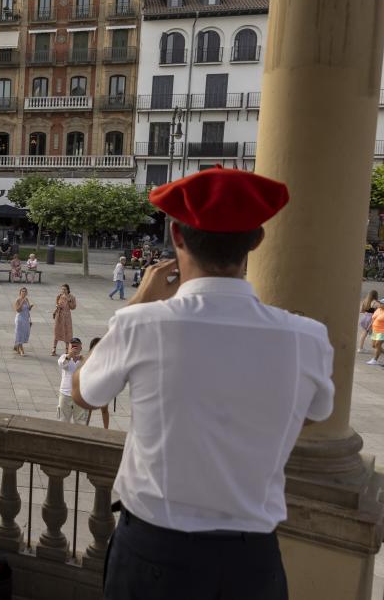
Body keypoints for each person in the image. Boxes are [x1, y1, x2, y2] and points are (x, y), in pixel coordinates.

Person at [72, 167, 334, 599]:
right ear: (257, 240)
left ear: (176, 235)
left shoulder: (143, 323)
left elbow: (84, 393)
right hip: (252, 560)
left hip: (155, 552)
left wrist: (139, 301)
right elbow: (311, 413)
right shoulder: (305, 337)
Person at [56, 338, 88, 423]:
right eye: (72, 345)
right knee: (62, 421)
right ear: (68, 348)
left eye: (77, 345)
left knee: (81, 422)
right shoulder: (64, 357)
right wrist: (69, 356)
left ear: (81, 348)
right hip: (65, 394)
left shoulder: (85, 360)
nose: (75, 347)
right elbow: (62, 364)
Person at [51, 284, 76, 356]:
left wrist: (69, 301)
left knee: (67, 332)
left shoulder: (72, 297)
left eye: (64, 289)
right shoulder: (59, 296)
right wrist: (55, 311)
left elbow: (73, 307)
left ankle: (67, 349)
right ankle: (54, 348)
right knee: (57, 331)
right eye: (62, 289)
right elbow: (57, 304)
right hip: (59, 315)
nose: (63, 291)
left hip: (67, 316)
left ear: (68, 290)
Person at [13, 287, 33, 356]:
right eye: (22, 291)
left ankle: (16, 346)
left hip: (26, 319)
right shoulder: (18, 300)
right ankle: (22, 350)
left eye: (25, 291)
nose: (24, 293)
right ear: (20, 292)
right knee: (19, 333)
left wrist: (30, 307)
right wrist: (22, 302)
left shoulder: (27, 299)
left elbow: (28, 309)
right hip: (19, 319)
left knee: (25, 333)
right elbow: (18, 310)